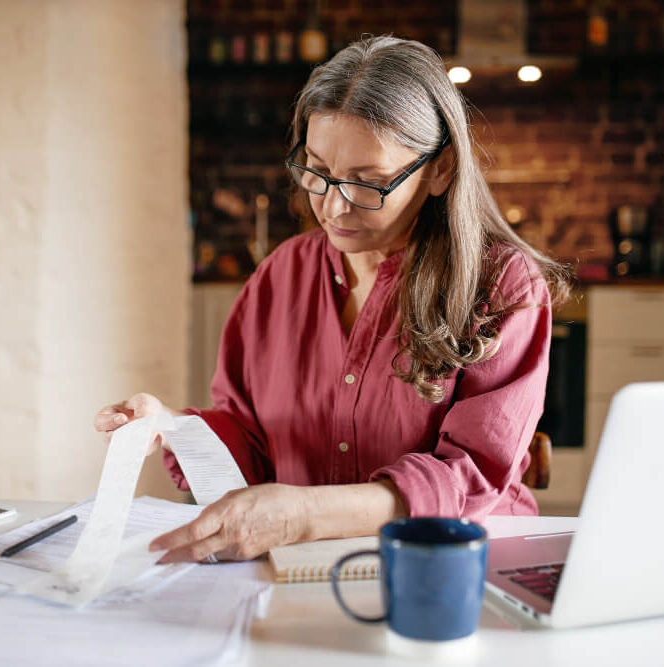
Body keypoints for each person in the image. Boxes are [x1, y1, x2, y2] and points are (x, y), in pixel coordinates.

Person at [94, 36, 569, 564]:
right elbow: (252, 438)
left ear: (441, 169)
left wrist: (303, 515)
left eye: (370, 183)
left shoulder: (501, 284)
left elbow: (469, 478)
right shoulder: (281, 275)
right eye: (317, 170)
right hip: (302, 566)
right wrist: (172, 428)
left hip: (451, 567)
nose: (333, 205)